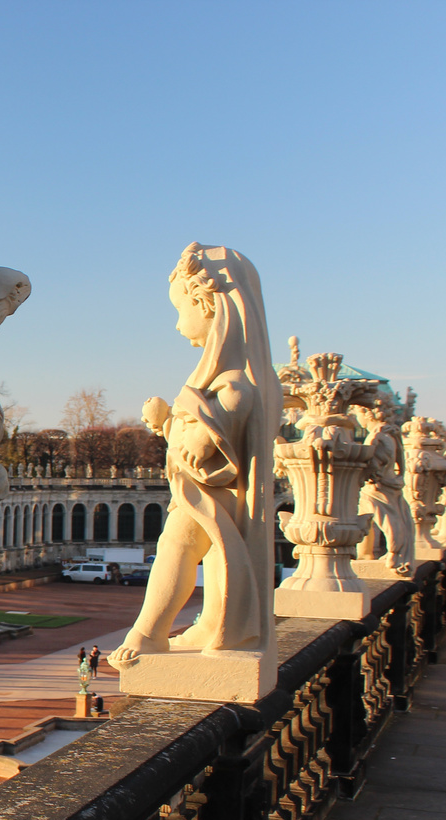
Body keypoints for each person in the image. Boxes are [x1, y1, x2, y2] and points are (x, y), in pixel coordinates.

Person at [111, 244, 279, 666]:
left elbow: (202, 458)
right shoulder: (241, 380)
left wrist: (170, 424)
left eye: (181, 309)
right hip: (215, 499)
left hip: (207, 499)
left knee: (176, 547)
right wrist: (168, 422)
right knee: (189, 553)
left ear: (211, 305)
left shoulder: (233, 386)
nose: (177, 324)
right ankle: (209, 622)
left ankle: (148, 634)